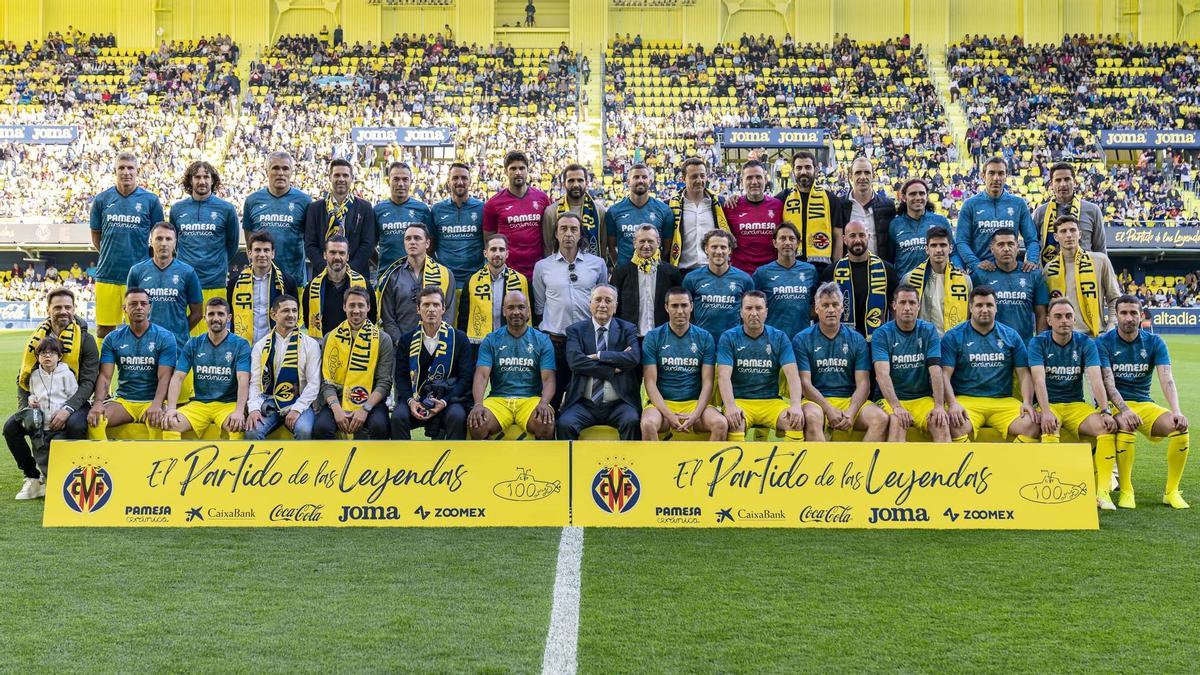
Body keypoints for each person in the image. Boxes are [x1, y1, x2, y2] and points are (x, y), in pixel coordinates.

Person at [1098, 295, 1190, 509]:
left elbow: (1167, 378)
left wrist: (1176, 410)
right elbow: (1108, 384)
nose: (1128, 318)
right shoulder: (1104, 342)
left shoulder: (1154, 342)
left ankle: (1172, 491)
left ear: (1141, 316)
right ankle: (1127, 490)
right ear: (1116, 315)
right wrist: (1124, 410)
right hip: (1115, 405)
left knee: (1180, 428)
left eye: (1133, 313)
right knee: (1125, 424)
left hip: (1144, 403)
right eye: (1123, 313)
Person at [1028, 298, 1118, 509]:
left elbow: (1096, 379)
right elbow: (1038, 379)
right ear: (1049, 320)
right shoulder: (1038, 342)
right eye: (1058, 316)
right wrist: (1047, 411)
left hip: (1076, 405)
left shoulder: (1086, 343)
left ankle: (1103, 491)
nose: (1064, 321)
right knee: (1050, 426)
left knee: (1106, 429)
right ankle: (1051, 491)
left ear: (1074, 319)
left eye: (1068, 316)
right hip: (1048, 404)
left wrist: (1105, 410)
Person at [940, 286, 1041, 443]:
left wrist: (1027, 402)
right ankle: (971, 466)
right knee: (951, 424)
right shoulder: (954, 336)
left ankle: (1005, 466)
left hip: (1003, 401)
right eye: (979, 305)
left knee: (1033, 424)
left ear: (996, 308)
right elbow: (944, 375)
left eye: (989, 305)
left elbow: (1024, 374)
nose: (985, 309)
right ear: (970, 308)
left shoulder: (1011, 336)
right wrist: (952, 404)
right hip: (967, 400)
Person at [794, 283, 890, 442]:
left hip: (848, 399)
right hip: (816, 401)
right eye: (825, 305)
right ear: (816, 309)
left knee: (880, 419)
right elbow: (805, 383)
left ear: (842, 308)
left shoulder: (856, 339)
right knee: (812, 417)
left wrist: (851, 412)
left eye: (835, 304)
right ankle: (823, 466)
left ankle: (862, 466)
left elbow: (864, 384)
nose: (830, 309)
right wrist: (829, 410)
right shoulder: (802, 339)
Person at [533, 212, 608, 407]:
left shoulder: (597, 264)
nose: (568, 234)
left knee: (586, 399)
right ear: (556, 234)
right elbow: (540, 306)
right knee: (552, 397)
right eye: (563, 229)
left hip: (587, 344)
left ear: (580, 234)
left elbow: (603, 304)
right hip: (556, 343)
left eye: (574, 229)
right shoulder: (542, 266)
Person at [9, 287, 98, 445]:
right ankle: (31, 470)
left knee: (75, 425)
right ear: (48, 309)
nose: (63, 311)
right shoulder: (37, 338)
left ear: (74, 309)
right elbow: (24, 375)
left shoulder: (85, 339)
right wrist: (25, 408)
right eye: (57, 307)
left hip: (74, 401)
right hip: (42, 399)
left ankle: (71, 468)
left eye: (67, 307)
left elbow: (89, 381)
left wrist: (68, 408)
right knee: (11, 429)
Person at [90, 151, 164, 337]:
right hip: (108, 274)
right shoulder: (101, 200)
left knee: (143, 326)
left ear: (137, 171)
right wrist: (112, 254)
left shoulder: (151, 200)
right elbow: (96, 236)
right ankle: (105, 367)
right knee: (104, 329)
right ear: (115, 170)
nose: (126, 172)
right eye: (121, 167)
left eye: (130, 168)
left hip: (140, 276)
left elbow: (159, 237)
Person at [717, 291, 808, 442]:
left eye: (758, 308)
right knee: (735, 423)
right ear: (741, 312)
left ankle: (792, 465)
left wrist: (796, 405)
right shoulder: (729, 337)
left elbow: (792, 375)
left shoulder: (779, 337)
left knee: (795, 422)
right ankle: (736, 465)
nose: (754, 313)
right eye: (748, 308)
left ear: (766, 312)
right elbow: (723, 376)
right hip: (741, 401)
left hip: (770, 401)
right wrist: (731, 406)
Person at [87, 288, 177, 439]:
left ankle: (157, 462)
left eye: (143, 303)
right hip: (124, 401)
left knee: (160, 423)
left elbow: (165, 377)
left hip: (151, 400)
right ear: (125, 308)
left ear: (149, 307)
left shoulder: (165, 337)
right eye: (133, 304)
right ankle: (106, 461)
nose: (139, 307)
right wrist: (98, 403)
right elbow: (105, 376)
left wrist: (157, 404)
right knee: (95, 421)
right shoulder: (112, 338)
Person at [640, 287, 726, 441]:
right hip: (662, 406)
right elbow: (650, 382)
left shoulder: (705, 337)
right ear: (666, 307)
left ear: (691, 306)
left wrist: (696, 415)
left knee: (720, 423)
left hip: (694, 404)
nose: (680, 311)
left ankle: (709, 465)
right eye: (674, 306)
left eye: (684, 305)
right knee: (647, 423)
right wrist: (669, 415)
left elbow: (707, 382)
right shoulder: (653, 337)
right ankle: (654, 465)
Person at [468, 291, 556, 440]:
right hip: (499, 399)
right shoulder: (491, 339)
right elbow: (482, 376)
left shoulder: (542, 340)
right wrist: (478, 404)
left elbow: (548, 379)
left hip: (530, 399)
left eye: (521, 307)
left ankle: (539, 463)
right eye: (511, 307)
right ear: (504, 311)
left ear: (528, 311)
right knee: (477, 423)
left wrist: (544, 402)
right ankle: (489, 463)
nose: (516, 312)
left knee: (545, 422)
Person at [557, 285, 642, 440]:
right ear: (590, 304)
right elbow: (575, 362)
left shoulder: (627, 329)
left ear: (615, 306)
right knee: (565, 423)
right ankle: (570, 464)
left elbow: (634, 358)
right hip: (584, 404)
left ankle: (628, 464)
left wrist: (599, 355)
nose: (602, 305)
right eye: (598, 300)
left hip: (619, 404)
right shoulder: (575, 330)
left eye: (608, 300)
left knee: (632, 421)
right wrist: (610, 370)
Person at [161, 298, 251, 441]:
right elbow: (177, 377)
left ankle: (233, 463)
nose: (215, 318)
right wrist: (171, 408)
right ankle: (172, 462)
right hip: (199, 404)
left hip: (228, 405)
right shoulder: (194, 343)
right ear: (204, 318)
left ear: (229, 318)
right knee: (170, 423)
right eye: (211, 314)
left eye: (220, 314)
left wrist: (240, 411)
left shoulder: (240, 344)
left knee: (236, 426)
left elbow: (243, 379)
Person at [392, 287, 474, 441]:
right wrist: (410, 401)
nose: (431, 309)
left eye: (436, 305)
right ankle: (402, 462)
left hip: (447, 400)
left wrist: (444, 401)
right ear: (418, 309)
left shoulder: (459, 338)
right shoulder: (407, 339)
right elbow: (401, 377)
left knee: (457, 416)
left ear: (443, 308)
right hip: (415, 399)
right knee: (398, 417)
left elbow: (466, 378)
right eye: (426, 305)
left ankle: (455, 463)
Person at [873, 285, 951, 442]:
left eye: (911, 303)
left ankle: (948, 467)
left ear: (918, 305)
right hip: (891, 399)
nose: (907, 308)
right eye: (902, 302)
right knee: (897, 421)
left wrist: (939, 406)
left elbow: (935, 370)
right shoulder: (882, 333)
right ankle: (894, 467)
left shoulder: (928, 330)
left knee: (940, 423)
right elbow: (882, 375)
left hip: (921, 398)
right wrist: (896, 407)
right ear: (894, 306)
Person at [314, 288, 393, 440]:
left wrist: (365, 409)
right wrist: (336, 409)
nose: (356, 310)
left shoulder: (383, 339)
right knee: (322, 427)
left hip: (371, 401)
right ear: (344, 307)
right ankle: (334, 463)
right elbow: (326, 381)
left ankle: (371, 463)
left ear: (368, 307)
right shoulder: (330, 338)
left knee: (380, 426)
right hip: (337, 399)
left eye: (361, 305)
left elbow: (384, 382)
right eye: (351, 305)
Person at [169, 160, 240, 326]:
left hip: (215, 281)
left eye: (206, 177)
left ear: (213, 180)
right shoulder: (177, 209)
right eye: (197, 177)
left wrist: (216, 263)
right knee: (187, 331)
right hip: (185, 281)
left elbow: (233, 244)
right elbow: (174, 243)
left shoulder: (226, 209)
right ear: (190, 180)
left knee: (216, 330)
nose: (202, 181)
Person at [245, 294, 321, 441]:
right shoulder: (261, 346)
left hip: (299, 400)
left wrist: (297, 409)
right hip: (269, 401)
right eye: (286, 311)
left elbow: (313, 384)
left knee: (304, 430)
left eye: (294, 310)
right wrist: (254, 408)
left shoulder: (310, 344)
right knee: (252, 431)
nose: (291, 315)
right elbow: (255, 383)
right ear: (274, 315)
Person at [8, 336, 76, 499]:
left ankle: (60, 483)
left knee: (58, 454)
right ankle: (43, 482)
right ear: (37, 356)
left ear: (59, 357)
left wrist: (65, 414)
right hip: (40, 425)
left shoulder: (66, 374)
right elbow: (32, 393)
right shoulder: (34, 375)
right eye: (43, 353)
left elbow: (73, 396)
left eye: (52, 353)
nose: (47, 356)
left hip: (59, 423)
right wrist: (31, 399)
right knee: (41, 454)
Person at [126, 221, 203, 351]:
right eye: (159, 238)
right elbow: (131, 309)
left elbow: (198, 313)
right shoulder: (136, 271)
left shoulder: (187, 272)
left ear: (175, 243)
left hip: (177, 347)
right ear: (151, 241)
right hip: (145, 345)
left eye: (168, 239)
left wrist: (179, 331)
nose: (163, 243)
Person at [955, 156, 1040, 274]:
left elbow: (1032, 240)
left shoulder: (1018, 204)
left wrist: (1032, 260)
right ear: (983, 175)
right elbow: (961, 241)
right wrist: (975, 264)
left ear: (1006, 176)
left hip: (1009, 271)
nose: (996, 178)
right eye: (991, 173)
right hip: (980, 273)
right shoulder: (970, 205)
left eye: (1001, 173)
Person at [1042, 216, 1120, 337]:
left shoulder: (1100, 261)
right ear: (1056, 237)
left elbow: (1114, 297)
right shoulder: (1049, 269)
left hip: (1094, 335)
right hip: (1062, 338)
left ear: (1080, 234)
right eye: (1063, 231)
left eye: (1073, 230)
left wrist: (1111, 323)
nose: (1069, 235)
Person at [379, 224, 457, 346]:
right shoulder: (391, 276)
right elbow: (388, 317)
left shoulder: (445, 274)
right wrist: (400, 342)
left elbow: (448, 312)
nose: (412, 242)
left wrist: (438, 340)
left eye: (417, 238)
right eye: (408, 239)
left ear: (427, 243)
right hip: (401, 346)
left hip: (436, 344)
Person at [821, 220, 898, 341]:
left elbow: (894, 308)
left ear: (868, 236)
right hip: (842, 341)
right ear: (844, 239)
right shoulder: (831, 272)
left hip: (878, 341)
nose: (857, 240)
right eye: (852, 236)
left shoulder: (886, 270)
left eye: (862, 235)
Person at [242, 150, 311, 285]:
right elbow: (249, 240)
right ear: (267, 171)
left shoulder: (304, 201)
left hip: (293, 280)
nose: (281, 173)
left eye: (285, 168)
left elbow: (310, 240)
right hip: (261, 279)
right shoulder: (252, 200)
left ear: (291, 172)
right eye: (275, 168)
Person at [970, 228, 1048, 341]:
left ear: (1017, 247)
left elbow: (1041, 314)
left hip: (1024, 346)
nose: (1006, 249)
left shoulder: (1033, 274)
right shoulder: (980, 275)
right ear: (992, 249)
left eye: (1010, 244)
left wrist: (1039, 344)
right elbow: (970, 312)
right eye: (1000, 245)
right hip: (990, 348)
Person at [775, 151, 846, 273]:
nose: (803, 172)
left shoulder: (830, 198)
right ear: (793, 171)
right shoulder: (783, 197)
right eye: (799, 168)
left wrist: (835, 267)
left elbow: (838, 235)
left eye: (808, 167)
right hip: (790, 267)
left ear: (816, 170)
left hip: (822, 267)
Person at [304, 158, 377, 278]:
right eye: (337, 175)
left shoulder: (365, 208)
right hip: (323, 275)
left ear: (351, 178)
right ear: (330, 177)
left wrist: (348, 271)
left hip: (356, 275)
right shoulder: (315, 208)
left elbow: (368, 244)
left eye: (345, 175)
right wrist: (327, 269)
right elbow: (310, 244)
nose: (341, 179)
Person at [483, 151, 550, 278]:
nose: (518, 172)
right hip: (508, 272)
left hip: (538, 271)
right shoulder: (493, 203)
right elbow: (489, 240)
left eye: (521, 168)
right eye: (513, 168)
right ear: (506, 172)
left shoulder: (542, 198)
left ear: (527, 170)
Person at [430, 162, 485, 314]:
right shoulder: (437, 209)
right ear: (448, 181)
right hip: (446, 281)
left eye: (464, 178)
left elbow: (487, 243)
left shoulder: (482, 208)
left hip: (475, 280)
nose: (459, 182)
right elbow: (431, 246)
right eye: (455, 178)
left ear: (470, 181)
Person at [226, 230, 300, 345]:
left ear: (273, 253)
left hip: (276, 346)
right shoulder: (234, 284)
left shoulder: (287, 282)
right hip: (243, 346)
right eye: (257, 250)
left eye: (266, 250)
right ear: (249, 253)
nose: (262, 254)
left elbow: (295, 315)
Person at [610, 225, 682, 336]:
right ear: (634, 243)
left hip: (663, 336)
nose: (646, 246)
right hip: (631, 337)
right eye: (642, 241)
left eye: (650, 241)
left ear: (658, 242)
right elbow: (615, 308)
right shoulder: (620, 272)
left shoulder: (672, 273)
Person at [1031, 162, 1107, 266]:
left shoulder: (1093, 210)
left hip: (1085, 275)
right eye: (1058, 180)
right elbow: (1032, 247)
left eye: (1067, 179)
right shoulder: (1040, 213)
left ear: (1075, 182)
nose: (1063, 184)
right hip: (1050, 278)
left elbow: (1100, 250)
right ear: (1051, 184)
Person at [683, 230, 755, 339]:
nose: (719, 251)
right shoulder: (691, 278)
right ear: (706, 249)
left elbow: (750, 312)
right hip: (701, 341)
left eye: (723, 247)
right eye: (714, 247)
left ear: (730, 250)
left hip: (733, 342)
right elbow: (686, 312)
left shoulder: (744, 279)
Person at [901, 225, 972, 335]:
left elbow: (969, 317)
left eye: (943, 245)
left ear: (951, 248)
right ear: (927, 249)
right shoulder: (909, 279)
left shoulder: (965, 280)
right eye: (934, 245)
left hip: (953, 344)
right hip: (921, 343)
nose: (938, 250)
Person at [753, 223, 818, 337]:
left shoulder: (810, 270)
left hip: (802, 339)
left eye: (791, 238)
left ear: (798, 243)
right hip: (772, 338)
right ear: (775, 243)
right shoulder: (762, 273)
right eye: (782, 238)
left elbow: (817, 302)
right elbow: (751, 305)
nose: (787, 242)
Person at [668, 157, 730, 275]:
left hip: (713, 270)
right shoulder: (670, 206)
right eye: (694, 176)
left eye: (702, 175)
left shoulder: (720, 204)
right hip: (682, 271)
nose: (699, 180)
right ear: (683, 178)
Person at [463, 234, 529, 344]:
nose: (497, 254)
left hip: (512, 341)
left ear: (507, 254)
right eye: (493, 249)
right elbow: (464, 317)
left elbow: (527, 314)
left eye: (501, 250)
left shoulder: (521, 280)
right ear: (485, 253)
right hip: (480, 343)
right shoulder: (472, 280)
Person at [303, 236, 373, 339]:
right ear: (324, 255)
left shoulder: (364, 285)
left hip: (356, 346)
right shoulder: (312, 287)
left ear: (347, 256)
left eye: (341, 253)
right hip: (323, 347)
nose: (337, 257)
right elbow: (308, 320)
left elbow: (372, 317)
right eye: (332, 252)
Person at [605, 164, 674, 267]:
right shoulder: (614, 211)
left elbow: (667, 247)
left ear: (650, 182)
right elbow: (611, 247)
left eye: (644, 177)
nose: (640, 180)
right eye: (636, 177)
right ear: (628, 182)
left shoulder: (664, 210)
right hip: (625, 273)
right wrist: (620, 268)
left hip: (654, 271)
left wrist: (658, 266)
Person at [723, 160, 783, 275]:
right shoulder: (730, 207)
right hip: (741, 274)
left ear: (765, 180)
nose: (754, 182)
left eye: (758, 177)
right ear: (742, 181)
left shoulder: (778, 205)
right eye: (749, 178)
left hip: (772, 273)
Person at [375, 161, 434, 274]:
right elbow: (370, 245)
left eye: (405, 179)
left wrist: (419, 264)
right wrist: (383, 263)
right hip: (387, 274)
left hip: (416, 274)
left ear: (411, 182)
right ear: (388, 181)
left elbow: (431, 243)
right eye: (396, 179)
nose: (401, 184)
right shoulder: (378, 210)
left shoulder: (422, 209)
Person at [890, 178, 955, 278]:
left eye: (922, 193)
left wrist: (958, 267)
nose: (918, 197)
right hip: (906, 287)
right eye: (912, 194)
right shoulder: (895, 224)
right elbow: (890, 258)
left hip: (935, 284)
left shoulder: (941, 221)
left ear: (927, 196)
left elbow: (953, 252)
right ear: (904, 197)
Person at [543, 163, 607, 258]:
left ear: (587, 183)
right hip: (559, 268)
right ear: (564, 184)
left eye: (580, 180)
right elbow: (548, 246)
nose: (576, 185)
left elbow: (603, 245)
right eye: (571, 181)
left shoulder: (599, 211)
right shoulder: (551, 212)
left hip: (590, 268)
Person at [843, 157, 897, 261]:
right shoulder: (841, 205)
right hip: (848, 270)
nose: (863, 177)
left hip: (879, 269)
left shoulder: (888, 206)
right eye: (858, 173)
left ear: (873, 176)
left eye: (867, 172)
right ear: (850, 176)